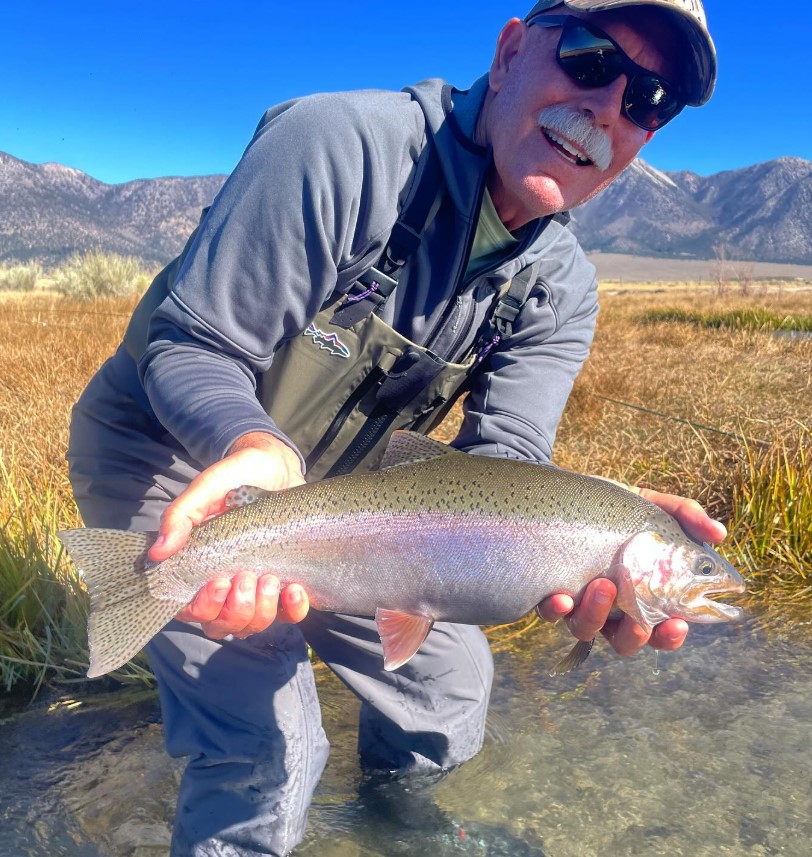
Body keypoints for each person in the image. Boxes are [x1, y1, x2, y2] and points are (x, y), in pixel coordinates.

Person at [67, 0, 723, 854]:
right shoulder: (338, 145)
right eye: (593, 59)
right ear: (514, 46)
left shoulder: (562, 287)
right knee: (273, 749)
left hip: (353, 510)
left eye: (650, 101)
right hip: (171, 456)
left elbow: (505, 461)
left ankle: (390, 832)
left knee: (449, 692)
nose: (609, 107)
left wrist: (582, 515)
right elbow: (193, 343)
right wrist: (257, 449)